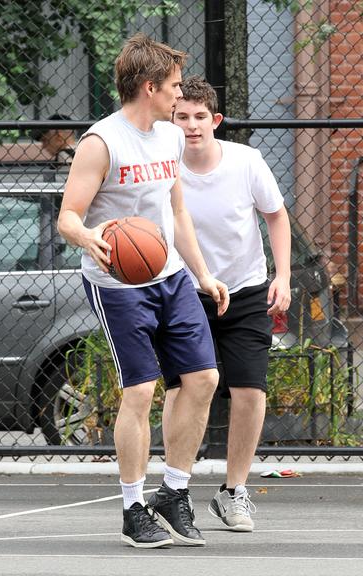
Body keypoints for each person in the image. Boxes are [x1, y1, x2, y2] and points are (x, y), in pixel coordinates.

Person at [57, 35, 229, 548]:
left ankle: (173, 492)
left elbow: (176, 212)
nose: (181, 96)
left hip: (170, 274)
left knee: (203, 378)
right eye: (175, 87)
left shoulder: (170, 138)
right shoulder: (101, 143)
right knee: (140, 391)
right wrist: (88, 236)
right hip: (118, 282)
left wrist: (202, 273)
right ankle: (134, 506)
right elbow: (68, 215)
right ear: (149, 87)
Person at [164, 75, 291, 532]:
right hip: (185, 291)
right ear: (171, 119)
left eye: (201, 117)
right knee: (179, 390)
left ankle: (234, 491)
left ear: (215, 121)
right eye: (183, 117)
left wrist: (284, 275)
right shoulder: (163, 164)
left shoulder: (246, 161)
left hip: (246, 289)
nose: (192, 125)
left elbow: (276, 216)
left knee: (249, 391)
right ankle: (174, 489)